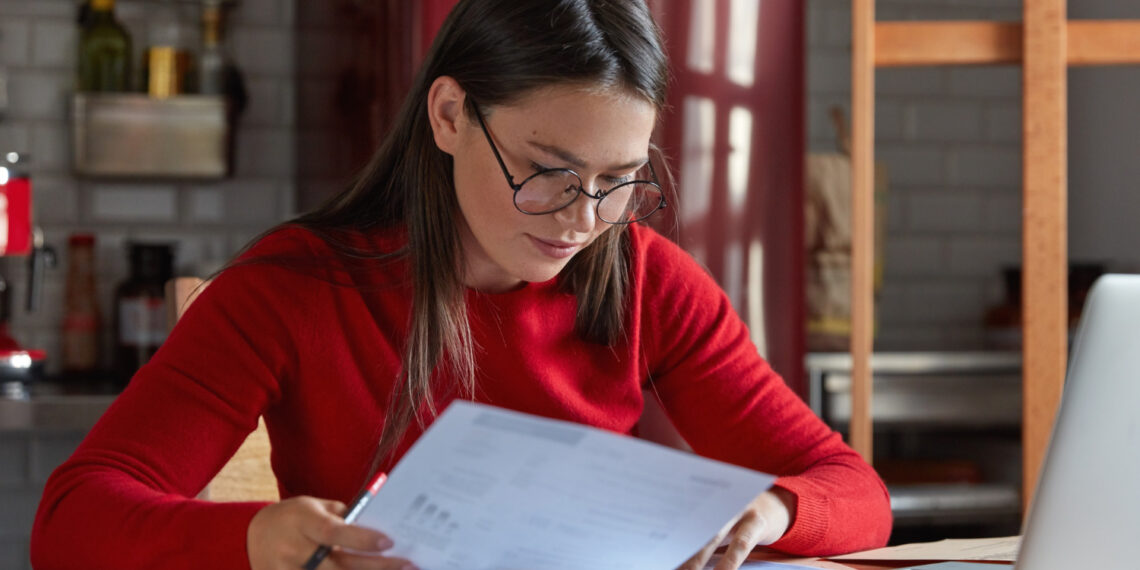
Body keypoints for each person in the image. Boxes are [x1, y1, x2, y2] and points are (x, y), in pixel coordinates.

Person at [31, 1, 892, 568]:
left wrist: (771, 513)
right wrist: (260, 538)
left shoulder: (646, 281)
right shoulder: (290, 288)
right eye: (547, 171)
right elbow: (70, 523)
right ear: (448, 117)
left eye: (622, 178)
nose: (583, 217)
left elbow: (854, 491)